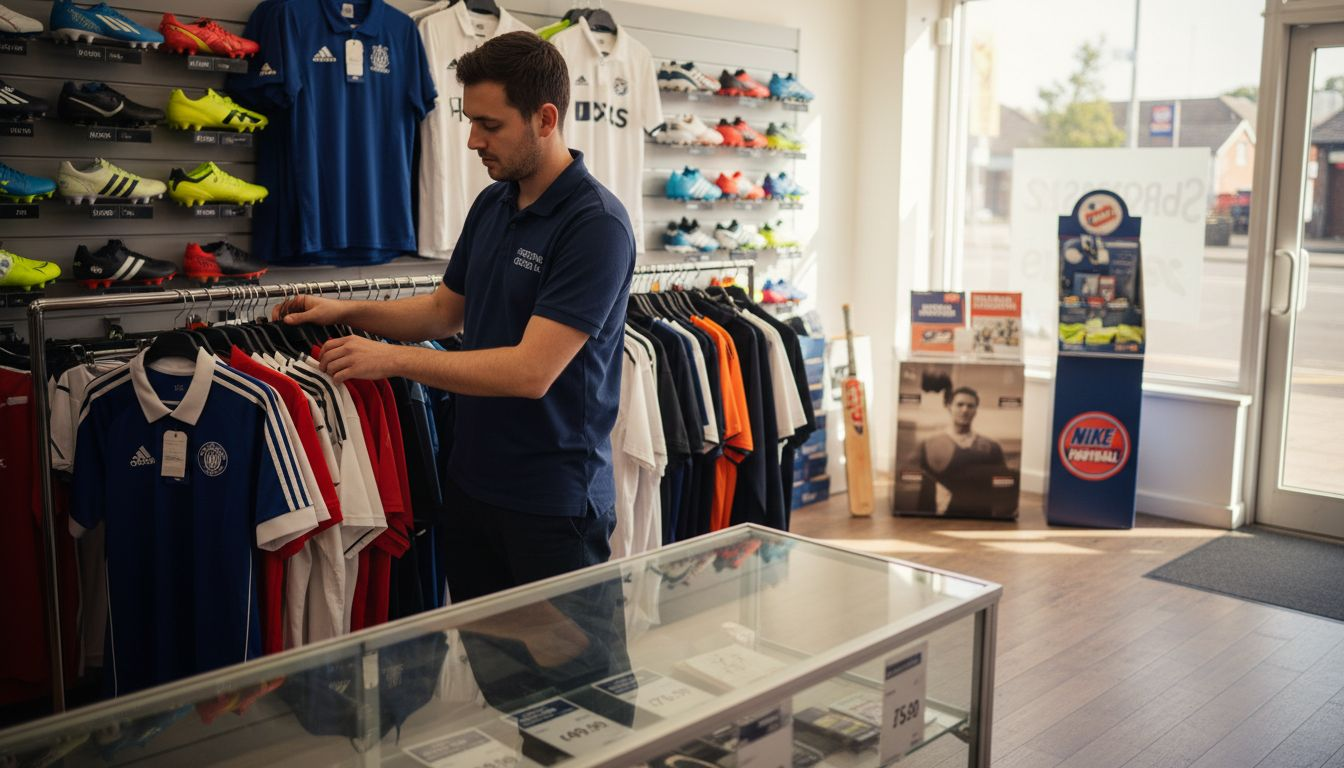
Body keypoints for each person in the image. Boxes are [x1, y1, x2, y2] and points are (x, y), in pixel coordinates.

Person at [271, 31, 635, 600]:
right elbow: (445, 312)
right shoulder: (495, 201)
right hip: (470, 487)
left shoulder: (595, 226)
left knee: (580, 684)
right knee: (496, 671)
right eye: (470, 122)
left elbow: (529, 373)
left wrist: (392, 361)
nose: (472, 141)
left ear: (544, 119)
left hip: (552, 505)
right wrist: (348, 310)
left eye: (490, 126)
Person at [915, 386, 1012, 515]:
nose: (965, 410)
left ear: (976, 410)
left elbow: (1002, 486)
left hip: (980, 515)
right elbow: (924, 488)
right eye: (960, 405)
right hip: (943, 514)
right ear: (949, 407)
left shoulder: (992, 447)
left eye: (970, 406)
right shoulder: (930, 444)